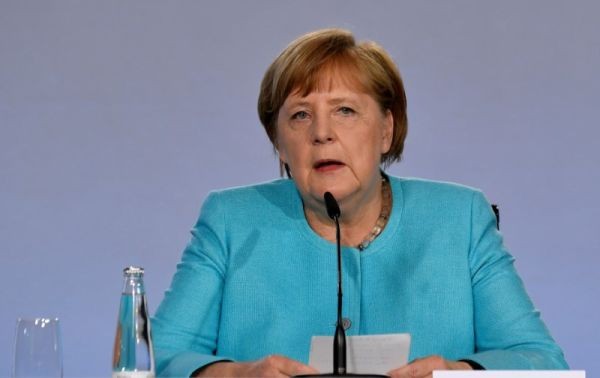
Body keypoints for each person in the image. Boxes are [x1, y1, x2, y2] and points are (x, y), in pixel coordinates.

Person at [152, 28, 568, 377]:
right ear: (278, 142)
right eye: (300, 115)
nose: (322, 133)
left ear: (386, 130)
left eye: (345, 110)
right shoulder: (231, 220)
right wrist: (234, 374)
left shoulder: (460, 220)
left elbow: (543, 363)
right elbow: (152, 360)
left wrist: (458, 374)